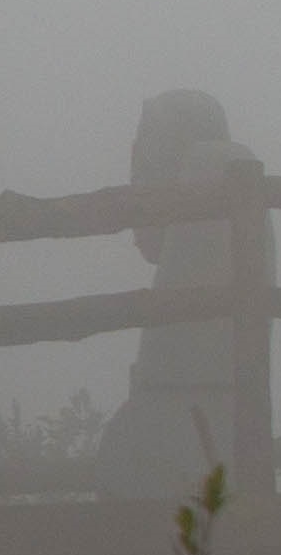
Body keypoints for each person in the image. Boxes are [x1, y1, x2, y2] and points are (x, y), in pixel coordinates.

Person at [97, 89, 250, 501]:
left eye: (145, 166)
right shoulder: (234, 185)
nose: (136, 183)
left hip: (186, 422)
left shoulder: (209, 176)